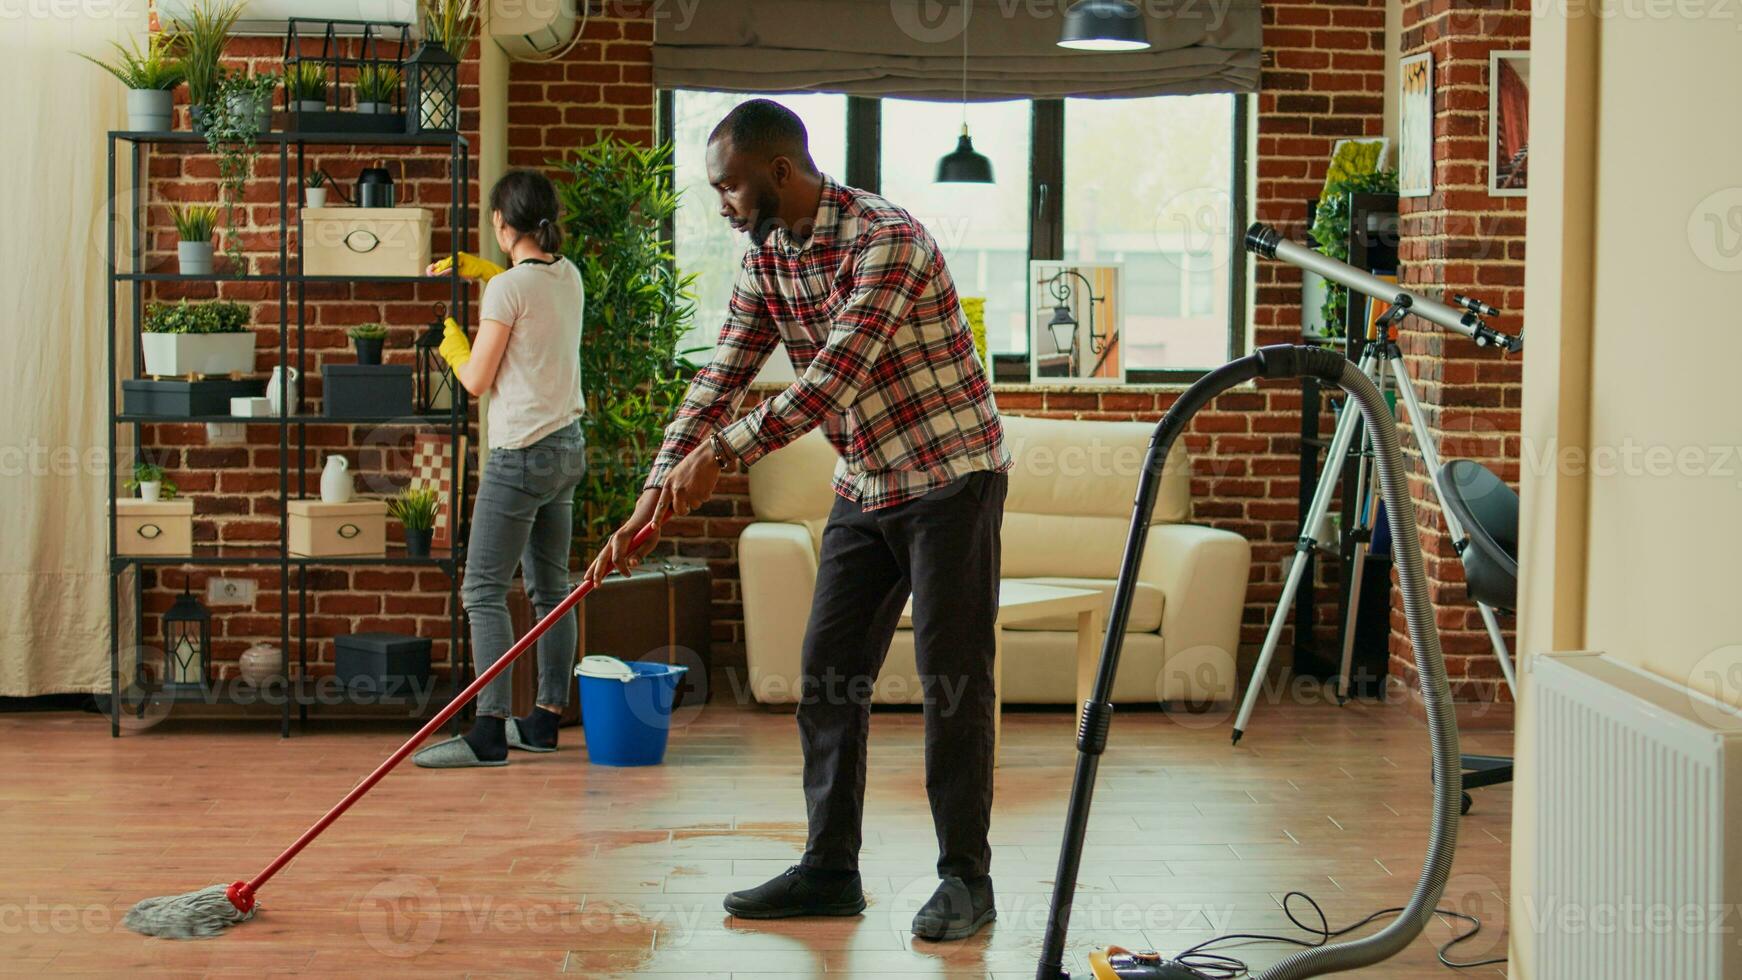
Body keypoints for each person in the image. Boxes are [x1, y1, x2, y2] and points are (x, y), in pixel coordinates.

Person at [586, 100, 1010, 941]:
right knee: (827, 674)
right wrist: (653, 490)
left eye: (730, 186)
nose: (723, 205)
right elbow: (721, 378)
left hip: (951, 477)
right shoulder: (767, 259)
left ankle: (967, 880)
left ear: (780, 173)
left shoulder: (886, 239)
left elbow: (829, 384)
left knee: (950, 680)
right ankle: (830, 869)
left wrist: (723, 457)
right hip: (867, 480)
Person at [413, 170, 587, 769]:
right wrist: (488, 275)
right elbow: (530, 301)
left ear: (500, 224)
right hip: (566, 446)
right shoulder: (568, 276)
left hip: (520, 455)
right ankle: (541, 722)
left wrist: (452, 341)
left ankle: (488, 730)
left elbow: (477, 380)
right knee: (551, 591)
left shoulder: (506, 292)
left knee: (483, 588)